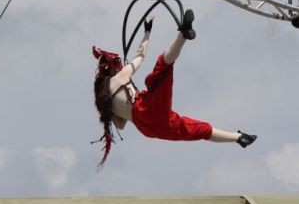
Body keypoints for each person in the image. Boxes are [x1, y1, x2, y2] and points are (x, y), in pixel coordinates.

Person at [92, 14, 256, 166]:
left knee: (198, 130)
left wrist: (121, 104)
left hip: (148, 128)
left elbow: (120, 125)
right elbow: (140, 56)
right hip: (147, 111)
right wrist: (147, 32)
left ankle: (239, 138)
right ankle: (183, 35)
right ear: (112, 67)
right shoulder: (120, 76)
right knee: (160, 70)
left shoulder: (104, 102)